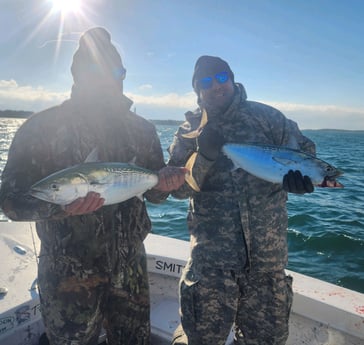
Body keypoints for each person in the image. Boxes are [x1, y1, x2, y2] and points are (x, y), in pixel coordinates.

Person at [0, 27, 186, 345]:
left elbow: (153, 193)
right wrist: (58, 206)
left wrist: (167, 184)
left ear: (123, 75)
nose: (106, 79)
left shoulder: (142, 130)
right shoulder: (41, 127)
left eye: (115, 71)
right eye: (93, 69)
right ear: (76, 73)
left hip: (130, 270)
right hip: (66, 273)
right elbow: (9, 199)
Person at [167, 56, 317, 345]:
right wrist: (205, 157)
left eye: (222, 78)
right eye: (206, 83)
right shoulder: (189, 131)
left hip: (267, 267)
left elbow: (305, 151)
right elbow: (177, 190)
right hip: (210, 266)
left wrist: (302, 178)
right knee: (199, 340)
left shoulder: (268, 118)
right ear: (198, 91)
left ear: (232, 79)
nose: (216, 86)